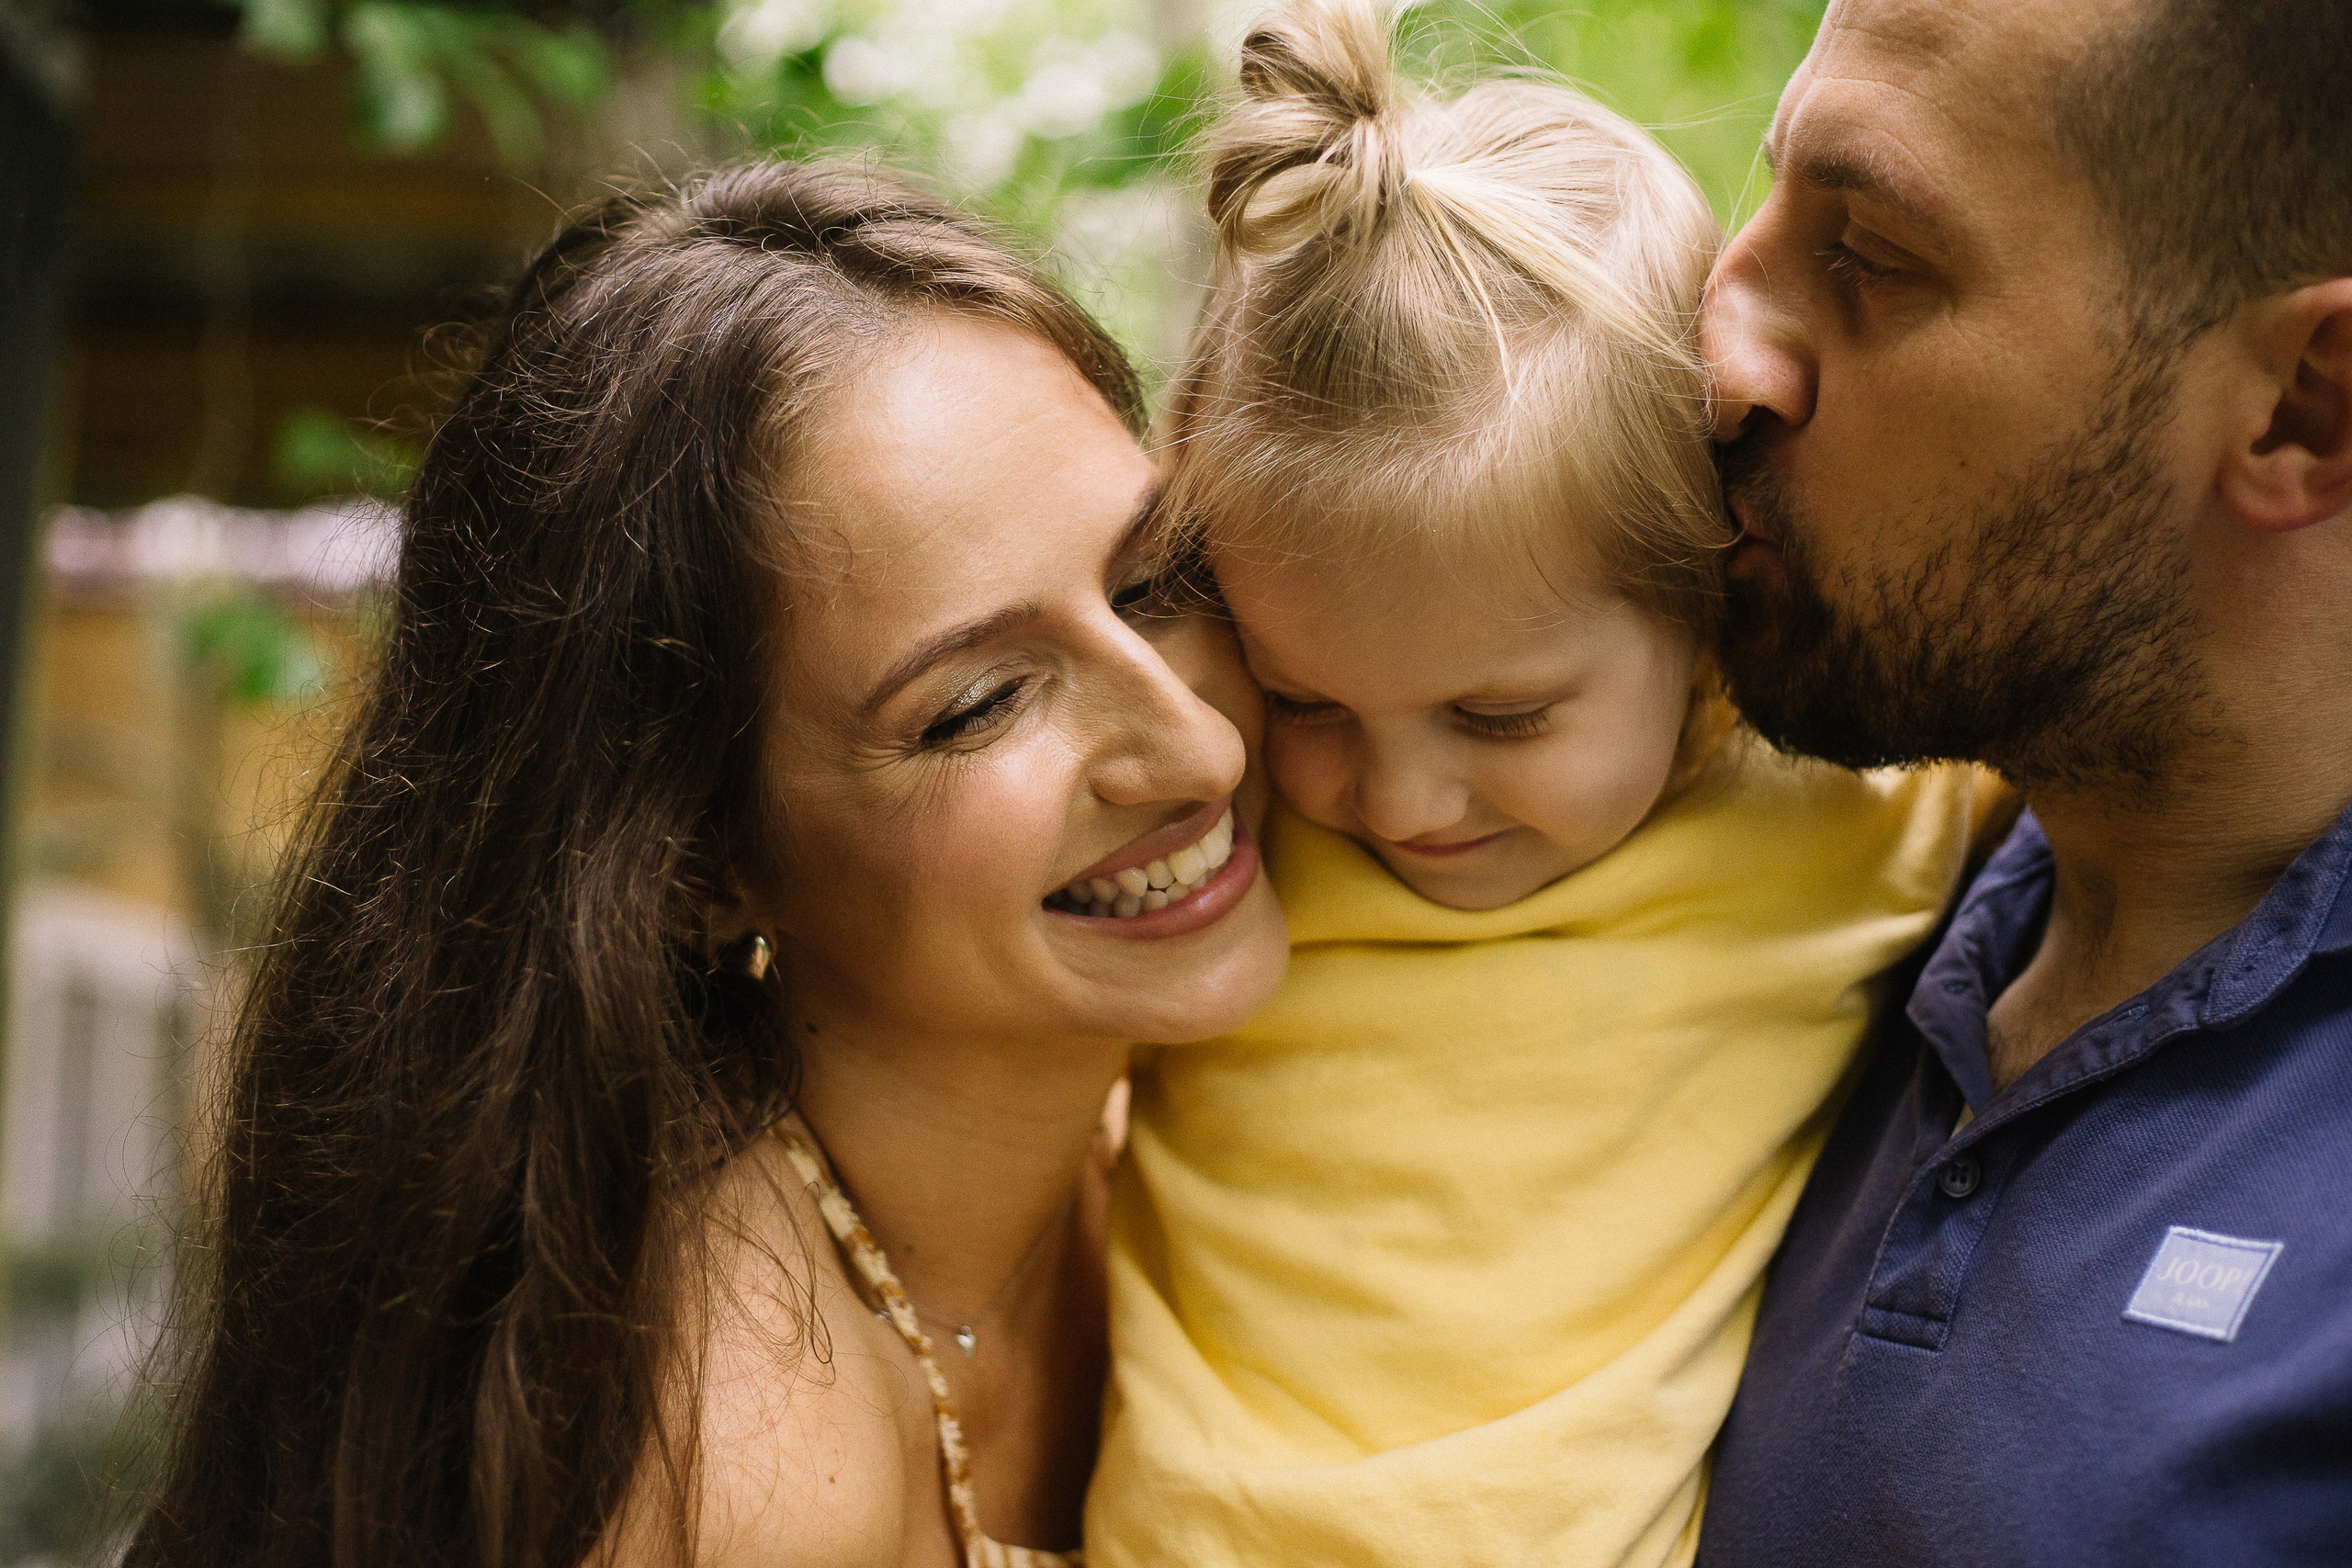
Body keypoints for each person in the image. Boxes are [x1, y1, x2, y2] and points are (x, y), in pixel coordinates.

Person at [125, 161, 1291, 1568]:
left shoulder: (1217, 1140)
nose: (1198, 751)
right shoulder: (723, 1471)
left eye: (1156, 581)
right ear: (694, 866)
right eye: (977, 704)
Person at [1084, 5, 1984, 1563]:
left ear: (1709, 609)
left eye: (1500, 717)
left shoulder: (1852, 818)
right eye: (1307, 700)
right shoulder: (1220, 860)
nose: (1404, 799)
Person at [1695, 0, 2352, 1561]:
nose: (1722, 347)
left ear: (2305, 406)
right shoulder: (1821, 900)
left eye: (1868, 256)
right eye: (1768, 193)